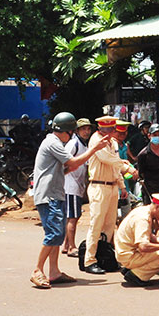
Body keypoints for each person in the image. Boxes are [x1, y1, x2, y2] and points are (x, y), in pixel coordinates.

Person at [30, 112, 109, 288]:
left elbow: (65, 169)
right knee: (54, 234)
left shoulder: (55, 143)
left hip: (55, 193)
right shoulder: (53, 142)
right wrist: (94, 149)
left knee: (57, 234)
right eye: (71, 131)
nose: (72, 135)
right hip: (48, 195)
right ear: (65, 130)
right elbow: (73, 163)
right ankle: (37, 270)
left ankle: (54, 272)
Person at [83, 116, 136, 275]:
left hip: (112, 186)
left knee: (109, 225)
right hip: (99, 185)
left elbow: (114, 164)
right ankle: (89, 260)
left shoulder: (112, 142)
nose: (114, 132)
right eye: (112, 129)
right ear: (102, 129)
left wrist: (121, 185)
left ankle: (103, 257)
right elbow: (108, 159)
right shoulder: (96, 140)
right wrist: (127, 168)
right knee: (96, 224)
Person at [114, 193, 159, 286]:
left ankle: (133, 268)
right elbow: (143, 246)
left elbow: (148, 235)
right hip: (129, 256)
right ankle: (138, 275)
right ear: (158, 207)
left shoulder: (142, 210)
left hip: (125, 252)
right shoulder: (143, 219)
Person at [61, 118, 92, 257]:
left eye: (88, 129)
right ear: (77, 130)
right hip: (70, 185)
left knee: (74, 216)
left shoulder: (84, 145)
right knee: (72, 217)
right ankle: (72, 247)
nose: (86, 131)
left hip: (78, 185)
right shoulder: (74, 144)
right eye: (83, 129)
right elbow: (64, 161)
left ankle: (66, 245)